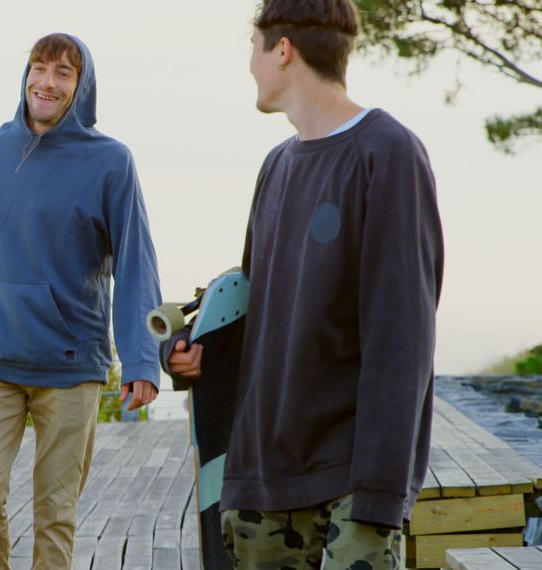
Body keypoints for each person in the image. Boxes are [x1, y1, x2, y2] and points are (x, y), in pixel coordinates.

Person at [165, 1, 444, 568]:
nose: (250, 66)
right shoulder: (275, 167)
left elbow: (403, 336)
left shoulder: (387, 153)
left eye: (253, 49)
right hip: (261, 481)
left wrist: (381, 490)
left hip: (351, 482)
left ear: (283, 49)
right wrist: (192, 354)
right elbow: (254, 313)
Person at [0, 33, 163, 569]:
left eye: (64, 73)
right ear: (25, 74)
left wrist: (142, 359)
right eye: (39, 68)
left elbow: (135, 264)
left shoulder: (111, 162)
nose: (47, 82)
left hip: (71, 366)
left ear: (82, 86)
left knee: (55, 514)